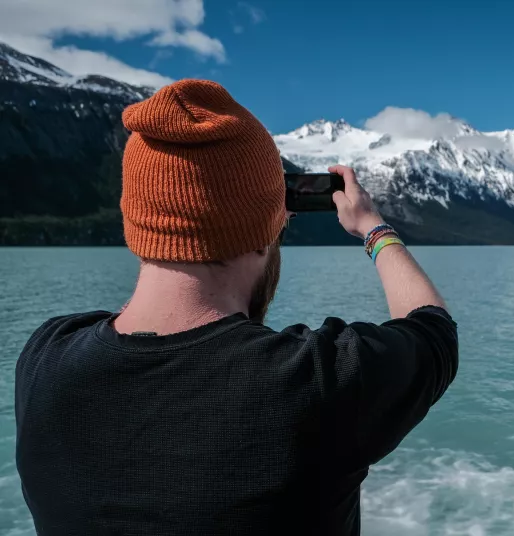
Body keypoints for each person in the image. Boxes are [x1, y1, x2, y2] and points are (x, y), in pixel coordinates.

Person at [14, 79, 458, 535]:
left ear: (136, 220)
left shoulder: (44, 359)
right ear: (268, 229)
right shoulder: (320, 383)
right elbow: (434, 332)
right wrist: (373, 227)